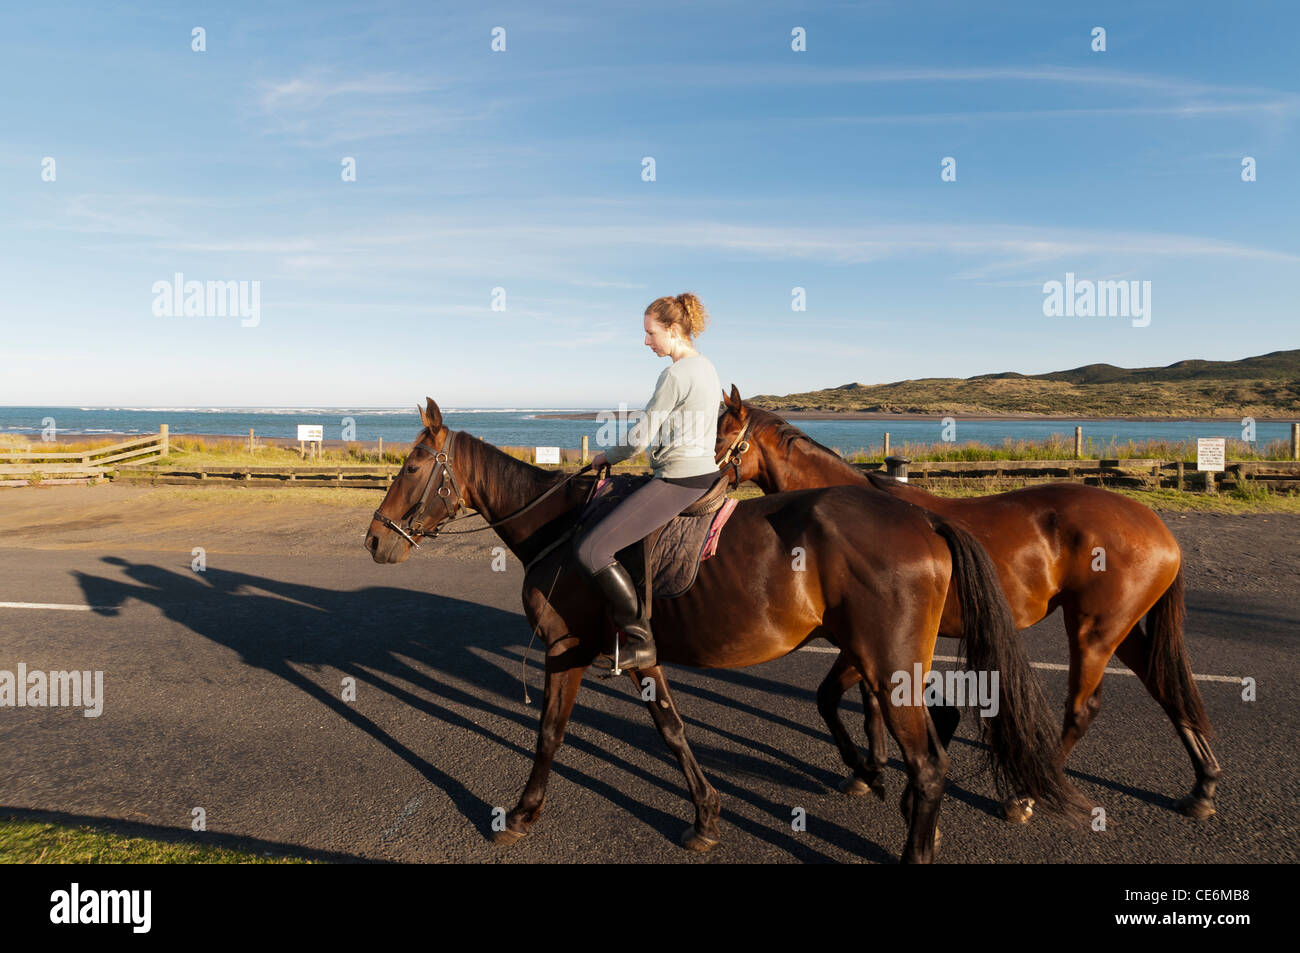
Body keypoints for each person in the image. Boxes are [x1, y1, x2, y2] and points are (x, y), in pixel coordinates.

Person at [575, 292, 722, 669]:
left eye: (650, 333)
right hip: (705, 473)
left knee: (592, 551)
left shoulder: (674, 374)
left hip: (679, 480)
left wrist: (606, 457)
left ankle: (640, 641)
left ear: (673, 330)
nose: (646, 342)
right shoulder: (707, 367)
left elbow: (640, 437)